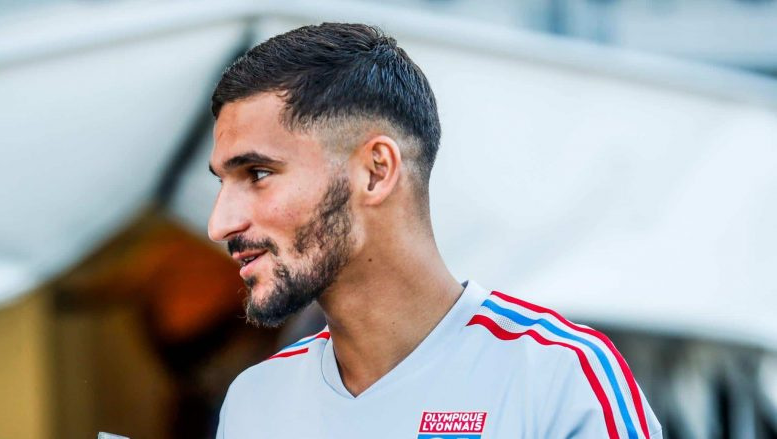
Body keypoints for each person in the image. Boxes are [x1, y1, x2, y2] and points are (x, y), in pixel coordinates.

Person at [207, 23, 662, 439]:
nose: (219, 224)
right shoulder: (254, 403)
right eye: (222, 182)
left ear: (375, 171)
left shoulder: (558, 380)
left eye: (258, 173)